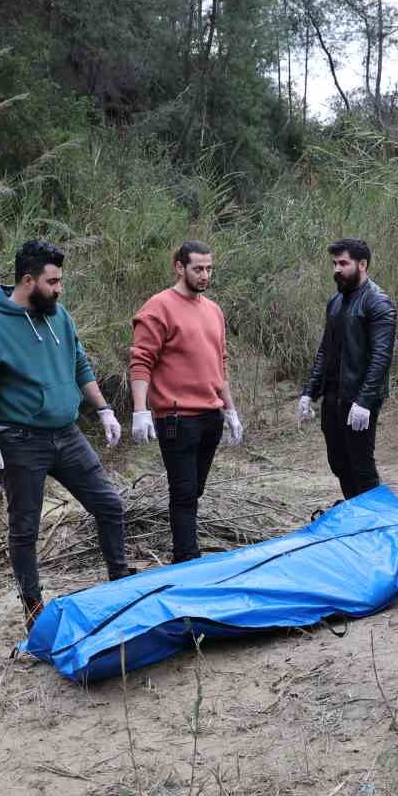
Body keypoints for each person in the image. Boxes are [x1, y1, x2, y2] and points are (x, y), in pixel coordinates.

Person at [0, 239, 129, 631]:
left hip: (66, 434)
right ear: (27, 280)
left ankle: (121, 581)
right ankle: (34, 610)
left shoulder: (59, 316)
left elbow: (79, 364)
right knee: (25, 528)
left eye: (59, 281)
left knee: (109, 505)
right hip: (20, 441)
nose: (59, 289)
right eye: (52, 282)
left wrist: (103, 409)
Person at [128, 241, 245, 564]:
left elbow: (219, 364)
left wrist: (231, 410)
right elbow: (141, 361)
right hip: (177, 418)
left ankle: (188, 552)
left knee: (194, 491)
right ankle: (186, 560)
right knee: (183, 493)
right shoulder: (159, 307)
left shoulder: (213, 310)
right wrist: (141, 411)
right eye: (198, 268)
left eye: (209, 268)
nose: (205, 275)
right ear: (179, 267)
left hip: (211, 415)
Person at [298, 238, 397, 499]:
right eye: (334, 264)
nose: (337, 269)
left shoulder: (378, 302)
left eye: (343, 263)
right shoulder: (335, 302)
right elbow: (325, 350)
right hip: (333, 397)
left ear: (362, 264)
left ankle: (375, 525)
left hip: (359, 399)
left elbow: (381, 356)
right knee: (339, 464)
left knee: (361, 467)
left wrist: (365, 400)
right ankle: (356, 520)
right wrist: (309, 392)